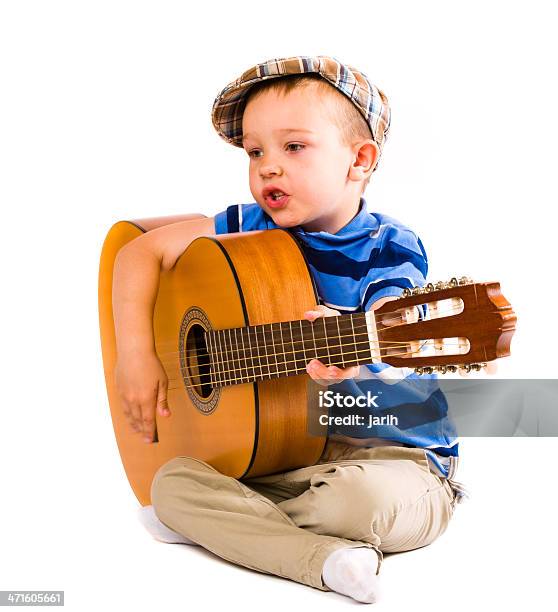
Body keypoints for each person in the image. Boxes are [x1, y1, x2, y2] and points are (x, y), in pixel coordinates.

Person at [112, 55, 467, 604]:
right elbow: (138, 252)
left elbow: (401, 349)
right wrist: (136, 354)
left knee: (353, 504)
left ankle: (239, 531)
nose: (267, 167)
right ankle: (323, 559)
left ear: (360, 159)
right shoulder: (248, 227)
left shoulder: (389, 250)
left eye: (293, 147)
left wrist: (359, 355)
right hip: (288, 457)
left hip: (398, 463)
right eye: (255, 151)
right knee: (170, 485)